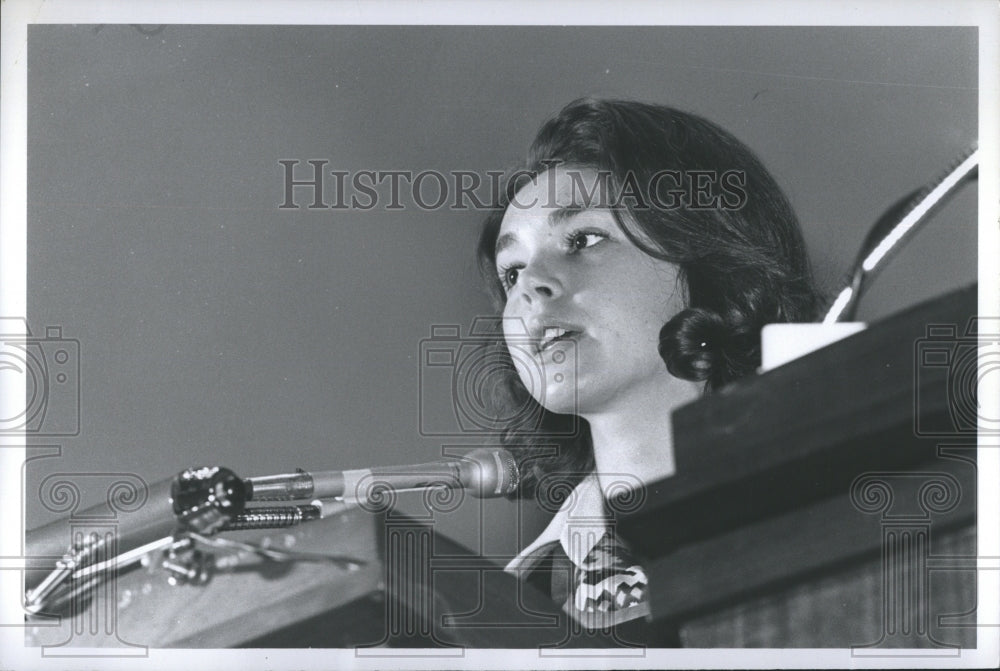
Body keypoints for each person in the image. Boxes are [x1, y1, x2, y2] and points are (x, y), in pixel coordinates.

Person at [475, 98, 820, 641]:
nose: (530, 287)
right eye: (511, 270)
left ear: (709, 263)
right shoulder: (505, 608)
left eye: (583, 239)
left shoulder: (832, 518)